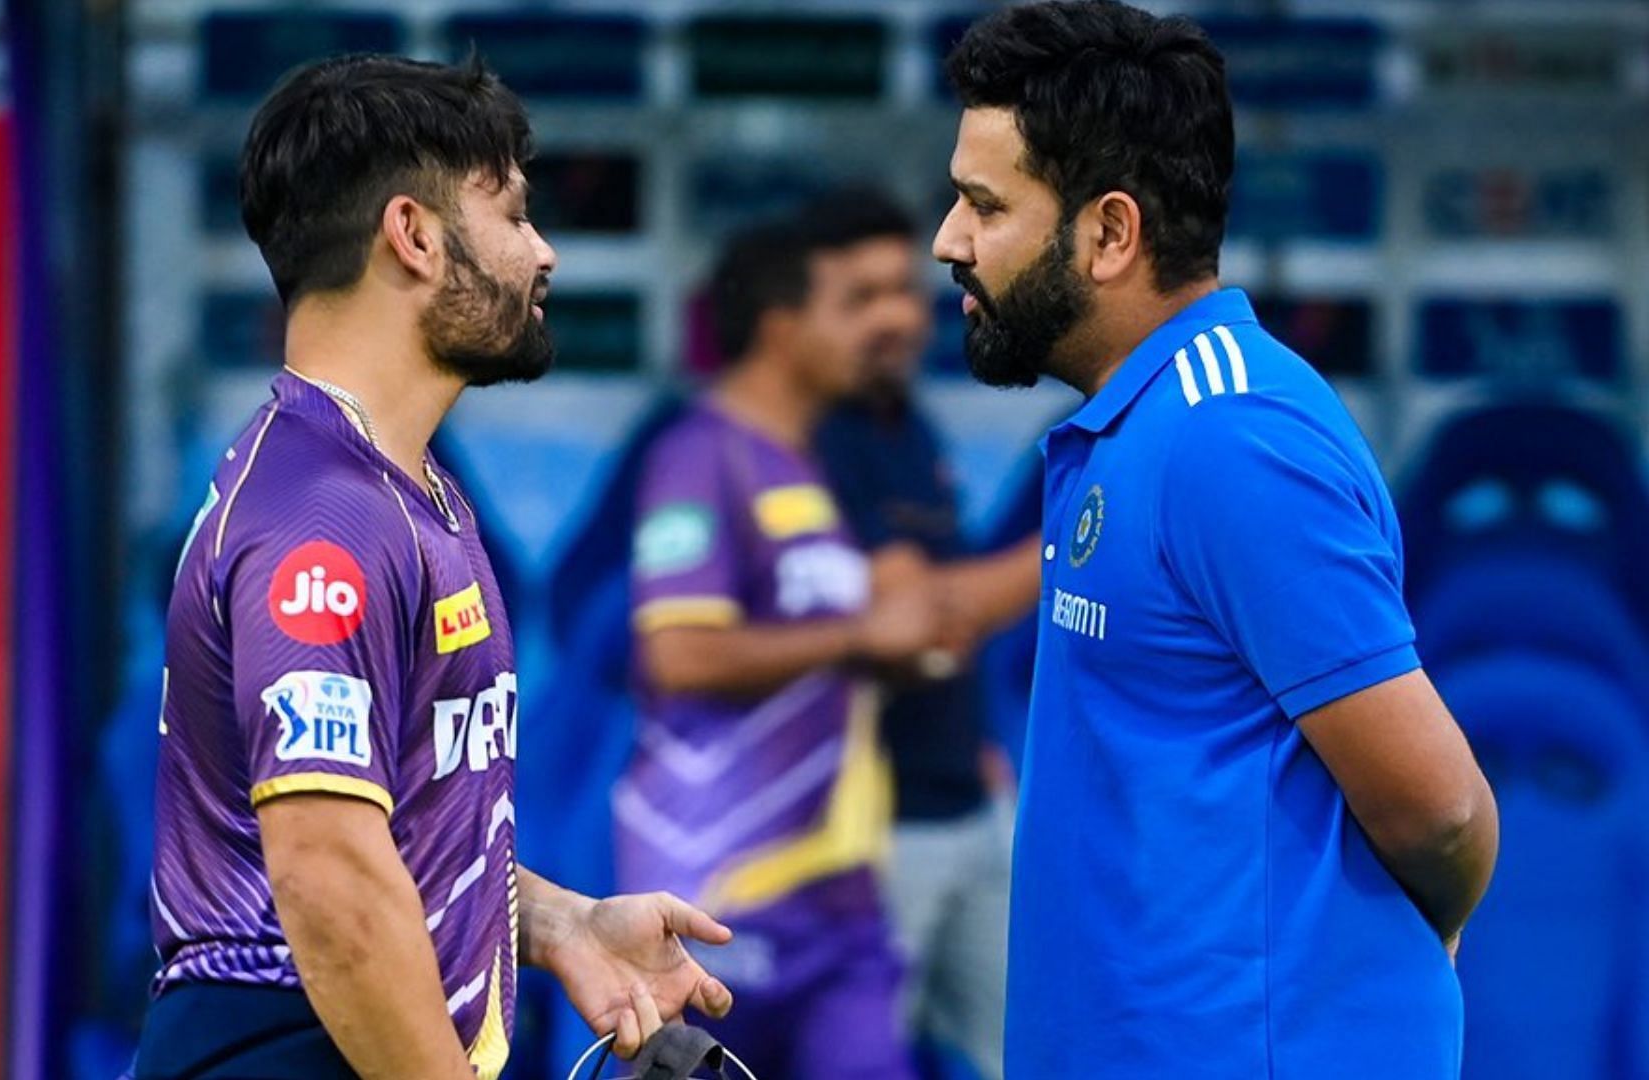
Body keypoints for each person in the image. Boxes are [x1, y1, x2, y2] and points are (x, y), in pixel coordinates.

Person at [134, 54, 734, 1079]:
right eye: (511, 213)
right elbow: (332, 893)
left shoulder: (409, 495)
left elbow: (394, 836)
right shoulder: (322, 523)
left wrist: (560, 924)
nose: (543, 253)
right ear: (413, 235)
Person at [932, 3, 1499, 1076]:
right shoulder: (1140, 425)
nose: (947, 241)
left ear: (1109, 233)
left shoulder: (1232, 440)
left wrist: (1367, 979)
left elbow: (1443, 814)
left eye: (981, 204)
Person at [614, 213, 947, 1079]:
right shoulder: (697, 455)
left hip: (840, 902)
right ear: (782, 326)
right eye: (848, 306)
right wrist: (861, 632)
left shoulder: (808, 464)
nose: (874, 330)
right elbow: (676, 654)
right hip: (717, 897)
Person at [805, 190, 1041, 1080]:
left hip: (966, 805)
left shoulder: (911, 430)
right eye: (860, 298)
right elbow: (917, 616)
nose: (895, 317)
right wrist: (1078, 539)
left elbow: (942, 608)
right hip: (866, 836)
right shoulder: (805, 439)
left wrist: (974, 740)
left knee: (1028, 1053)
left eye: (902, 292)